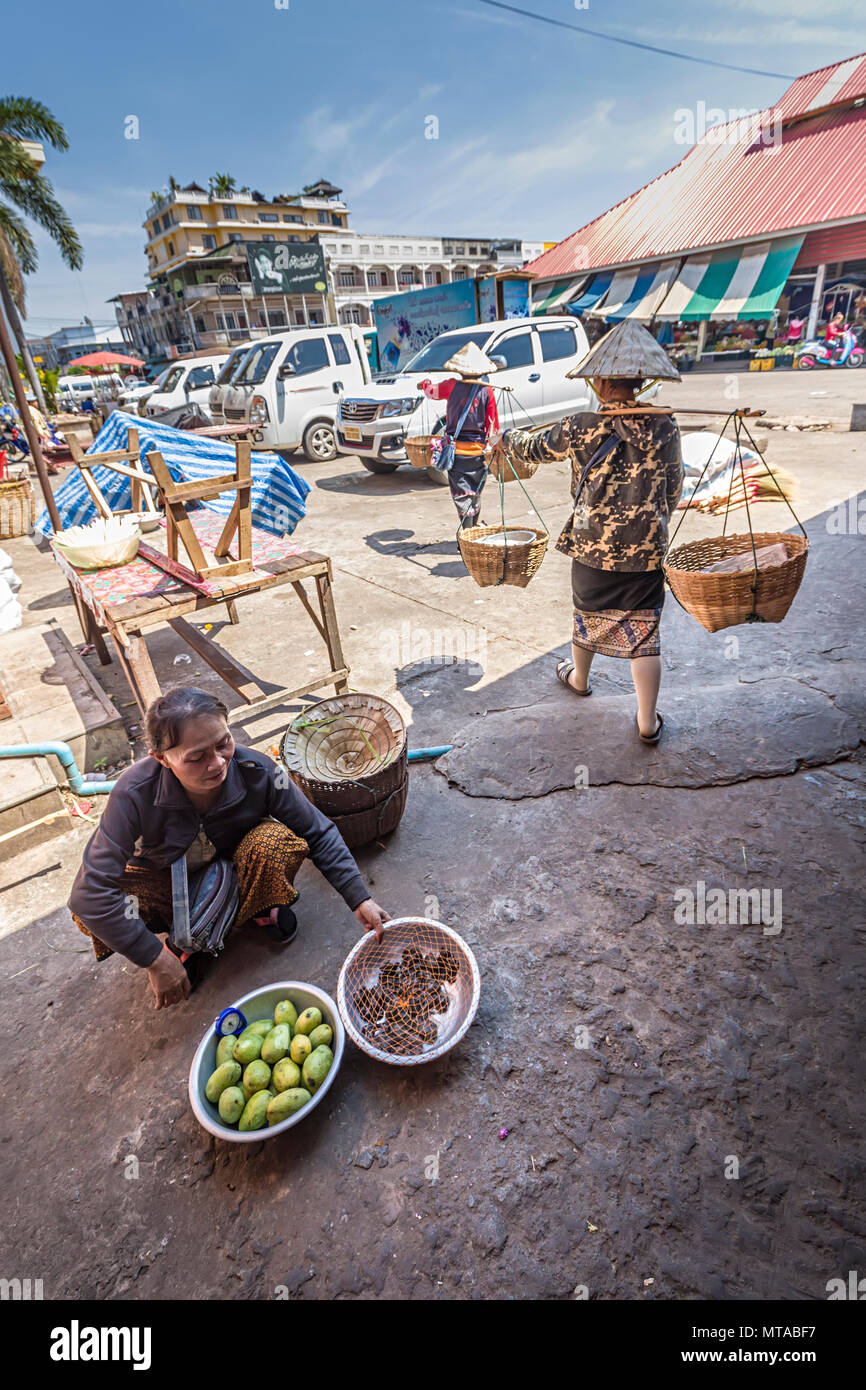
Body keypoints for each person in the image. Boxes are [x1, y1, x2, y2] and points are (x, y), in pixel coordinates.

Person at [68, 687, 390, 1010]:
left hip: (236, 867)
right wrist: (152, 957)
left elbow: (317, 830)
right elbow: (89, 893)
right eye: (196, 757)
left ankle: (257, 909)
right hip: (166, 879)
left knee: (274, 842)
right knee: (93, 907)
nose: (218, 762)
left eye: (223, 742)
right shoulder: (133, 793)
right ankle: (179, 946)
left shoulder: (259, 771)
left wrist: (359, 897)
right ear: (162, 759)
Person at [501, 319, 683, 745]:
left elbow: (534, 448)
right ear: (639, 379)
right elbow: (674, 488)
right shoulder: (666, 426)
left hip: (591, 548)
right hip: (645, 552)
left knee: (587, 618)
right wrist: (652, 525)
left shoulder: (580, 424)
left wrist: (506, 438)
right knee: (645, 634)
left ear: (600, 380)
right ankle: (646, 721)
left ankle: (579, 679)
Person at [417, 341, 501, 529]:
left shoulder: (450, 386)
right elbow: (493, 426)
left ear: (461, 369)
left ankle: (468, 533)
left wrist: (424, 384)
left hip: (456, 453)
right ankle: (472, 532)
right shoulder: (487, 390)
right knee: (475, 492)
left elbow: (431, 392)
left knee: (462, 494)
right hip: (479, 453)